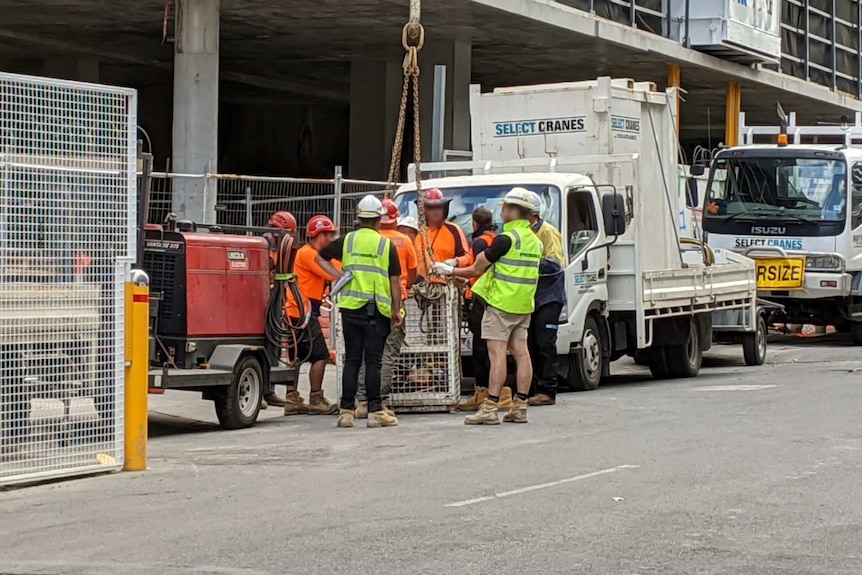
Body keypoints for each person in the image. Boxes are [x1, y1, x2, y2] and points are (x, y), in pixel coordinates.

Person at [431, 188, 542, 425]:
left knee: (497, 354)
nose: (501, 211)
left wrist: (449, 270)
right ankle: (520, 405)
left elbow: (475, 269)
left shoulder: (506, 239)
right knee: (522, 353)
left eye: (505, 207)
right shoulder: (534, 241)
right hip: (523, 305)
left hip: (501, 304)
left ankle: (490, 406)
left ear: (514, 210)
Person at [316, 195, 403, 429]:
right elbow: (395, 281)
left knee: (352, 360)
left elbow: (320, 256)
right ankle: (375, 411)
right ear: (379, 220)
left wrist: (339, 277)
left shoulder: (347, 241)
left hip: (351, 309)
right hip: (377, 311)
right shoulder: (386, 245)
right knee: (373, 361)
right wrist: (397, 310)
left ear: (359, 217)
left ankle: (346, 411)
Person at [356, 199, 418, 418]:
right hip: (394, 301)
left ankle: (362, 401)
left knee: (367, 354)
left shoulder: (368, 239)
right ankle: (378, 402)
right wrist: (403, 290)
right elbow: (411, 273)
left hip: (366, 300)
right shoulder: (404, 241)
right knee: (388, 354)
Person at [280, 215, 340, 416]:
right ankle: (316, 398)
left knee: (295, 356)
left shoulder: (309, 253)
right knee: (320, 356)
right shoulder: (309, 254)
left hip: (296, 311)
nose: (332, 238)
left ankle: (292, 399)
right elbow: (331, 274)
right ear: (320, 235)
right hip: (303, 313)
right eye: (329, 234)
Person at [456, 207, 510, 411]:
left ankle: (484, 392)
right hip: (493, 296)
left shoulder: (479, 242)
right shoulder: (496, 238)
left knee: (481, 349)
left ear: (474, 223)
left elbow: (480, 269)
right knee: (494, 349)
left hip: (479, 298)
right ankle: (496, 393)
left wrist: (462, 277)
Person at [525, 191, 567, 407]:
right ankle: (532, 389)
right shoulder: (525, 234)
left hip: (549, 297)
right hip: (531, 297)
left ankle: (548, 390)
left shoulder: (547, 233)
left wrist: (528, 261)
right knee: (530, 343)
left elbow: (554, 264)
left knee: (544, 343)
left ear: (531, 214)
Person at [259, 210, 297, 409]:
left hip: (276, 299)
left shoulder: (279, 247)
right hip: (262, 302)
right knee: (264, 344)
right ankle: (262, 392)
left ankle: (269, 391)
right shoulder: (263, 246)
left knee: (275, 345)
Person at [414, 188, 472, 281]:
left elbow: (468, 257)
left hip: (447, 286)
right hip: (421, 287)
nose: (435, 211)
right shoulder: (416, 231)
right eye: (430, 207)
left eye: (439, 207)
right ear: (424, 209)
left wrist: (455, 262)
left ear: (444, 208)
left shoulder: (453, 229)